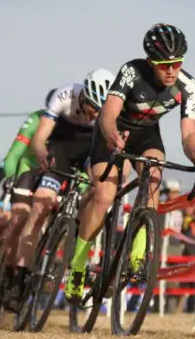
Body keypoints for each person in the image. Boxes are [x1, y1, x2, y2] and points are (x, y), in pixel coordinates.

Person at [64, 23, 195, 303]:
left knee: (155, 173)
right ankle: (78, 265)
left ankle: (137, 257)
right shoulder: (132, 71)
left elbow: (189, 133)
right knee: (105, 195)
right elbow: (108, 114)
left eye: (176, 63)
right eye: (163, 65)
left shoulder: (189, 86)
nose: (171, 71)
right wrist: (112, 136)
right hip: (113, 131)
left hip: (146, 134)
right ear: (150, 62)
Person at [6, 70, 114, 312]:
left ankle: (79, 246)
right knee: (40, 207)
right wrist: (42, 154)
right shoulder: (65, 94)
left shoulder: (108, 111)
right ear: (83, 97)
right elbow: (40, 137)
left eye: (100, 111)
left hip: (90, 151)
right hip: (61, 150)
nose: (94, 114)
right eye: (91, 107)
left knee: (100, 189)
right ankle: (19, 278)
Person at [0, 88, 55, 309]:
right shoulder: (36, 118)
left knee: (42, 223)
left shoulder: (71, 124)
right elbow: (14, 153)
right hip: (27, 169)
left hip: (51, 173)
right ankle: (9, 268)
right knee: (18, 221)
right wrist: (11, 177)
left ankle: (34, 269)